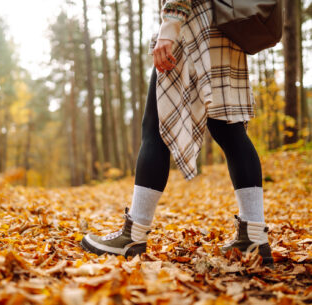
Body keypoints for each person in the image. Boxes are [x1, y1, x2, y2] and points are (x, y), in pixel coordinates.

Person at [81, 0, 273, 265]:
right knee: (229, 130)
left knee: (155, 127)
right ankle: (253, 238)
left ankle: (133, 236)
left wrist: (169, 26)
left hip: (193, 30)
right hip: (222, 31)